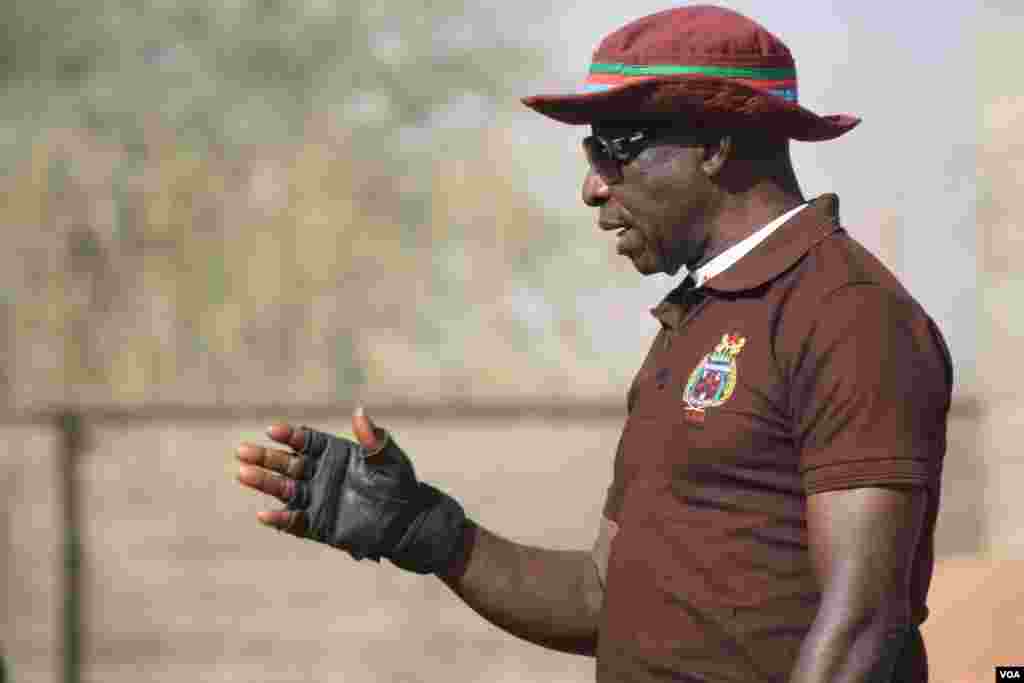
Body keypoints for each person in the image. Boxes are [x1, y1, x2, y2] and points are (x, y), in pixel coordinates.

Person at [234, 5, 952, 682]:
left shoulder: (847, 313)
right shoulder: (693, 323)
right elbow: (600, 596)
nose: (591, 186)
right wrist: (423, 528)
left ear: (715, 143)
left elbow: (863, 623)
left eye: (616, 149)